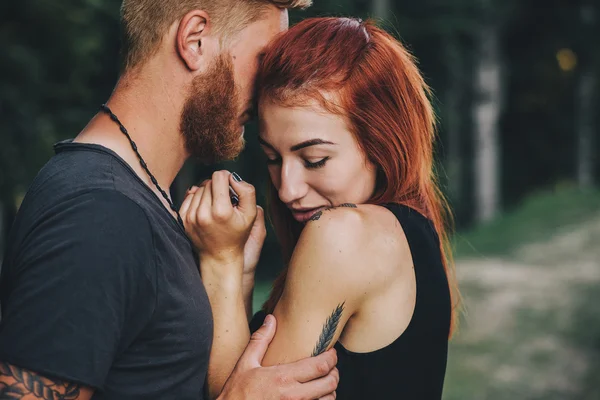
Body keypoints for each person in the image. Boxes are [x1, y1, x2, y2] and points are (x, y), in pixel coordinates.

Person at [0, 1, 340, 399]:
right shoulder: (98, 212)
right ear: (194, 40)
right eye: (263, 59)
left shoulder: (137, 201)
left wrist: (232, 272)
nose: (270, 89)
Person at [182, 17, 461, 399]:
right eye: (272, 158)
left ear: (380, 144)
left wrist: (220, 262)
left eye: (314, 159)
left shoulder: (344, 235)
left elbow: (236, 392)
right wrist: (242, 271)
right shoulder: (413, 230)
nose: (286, 190)